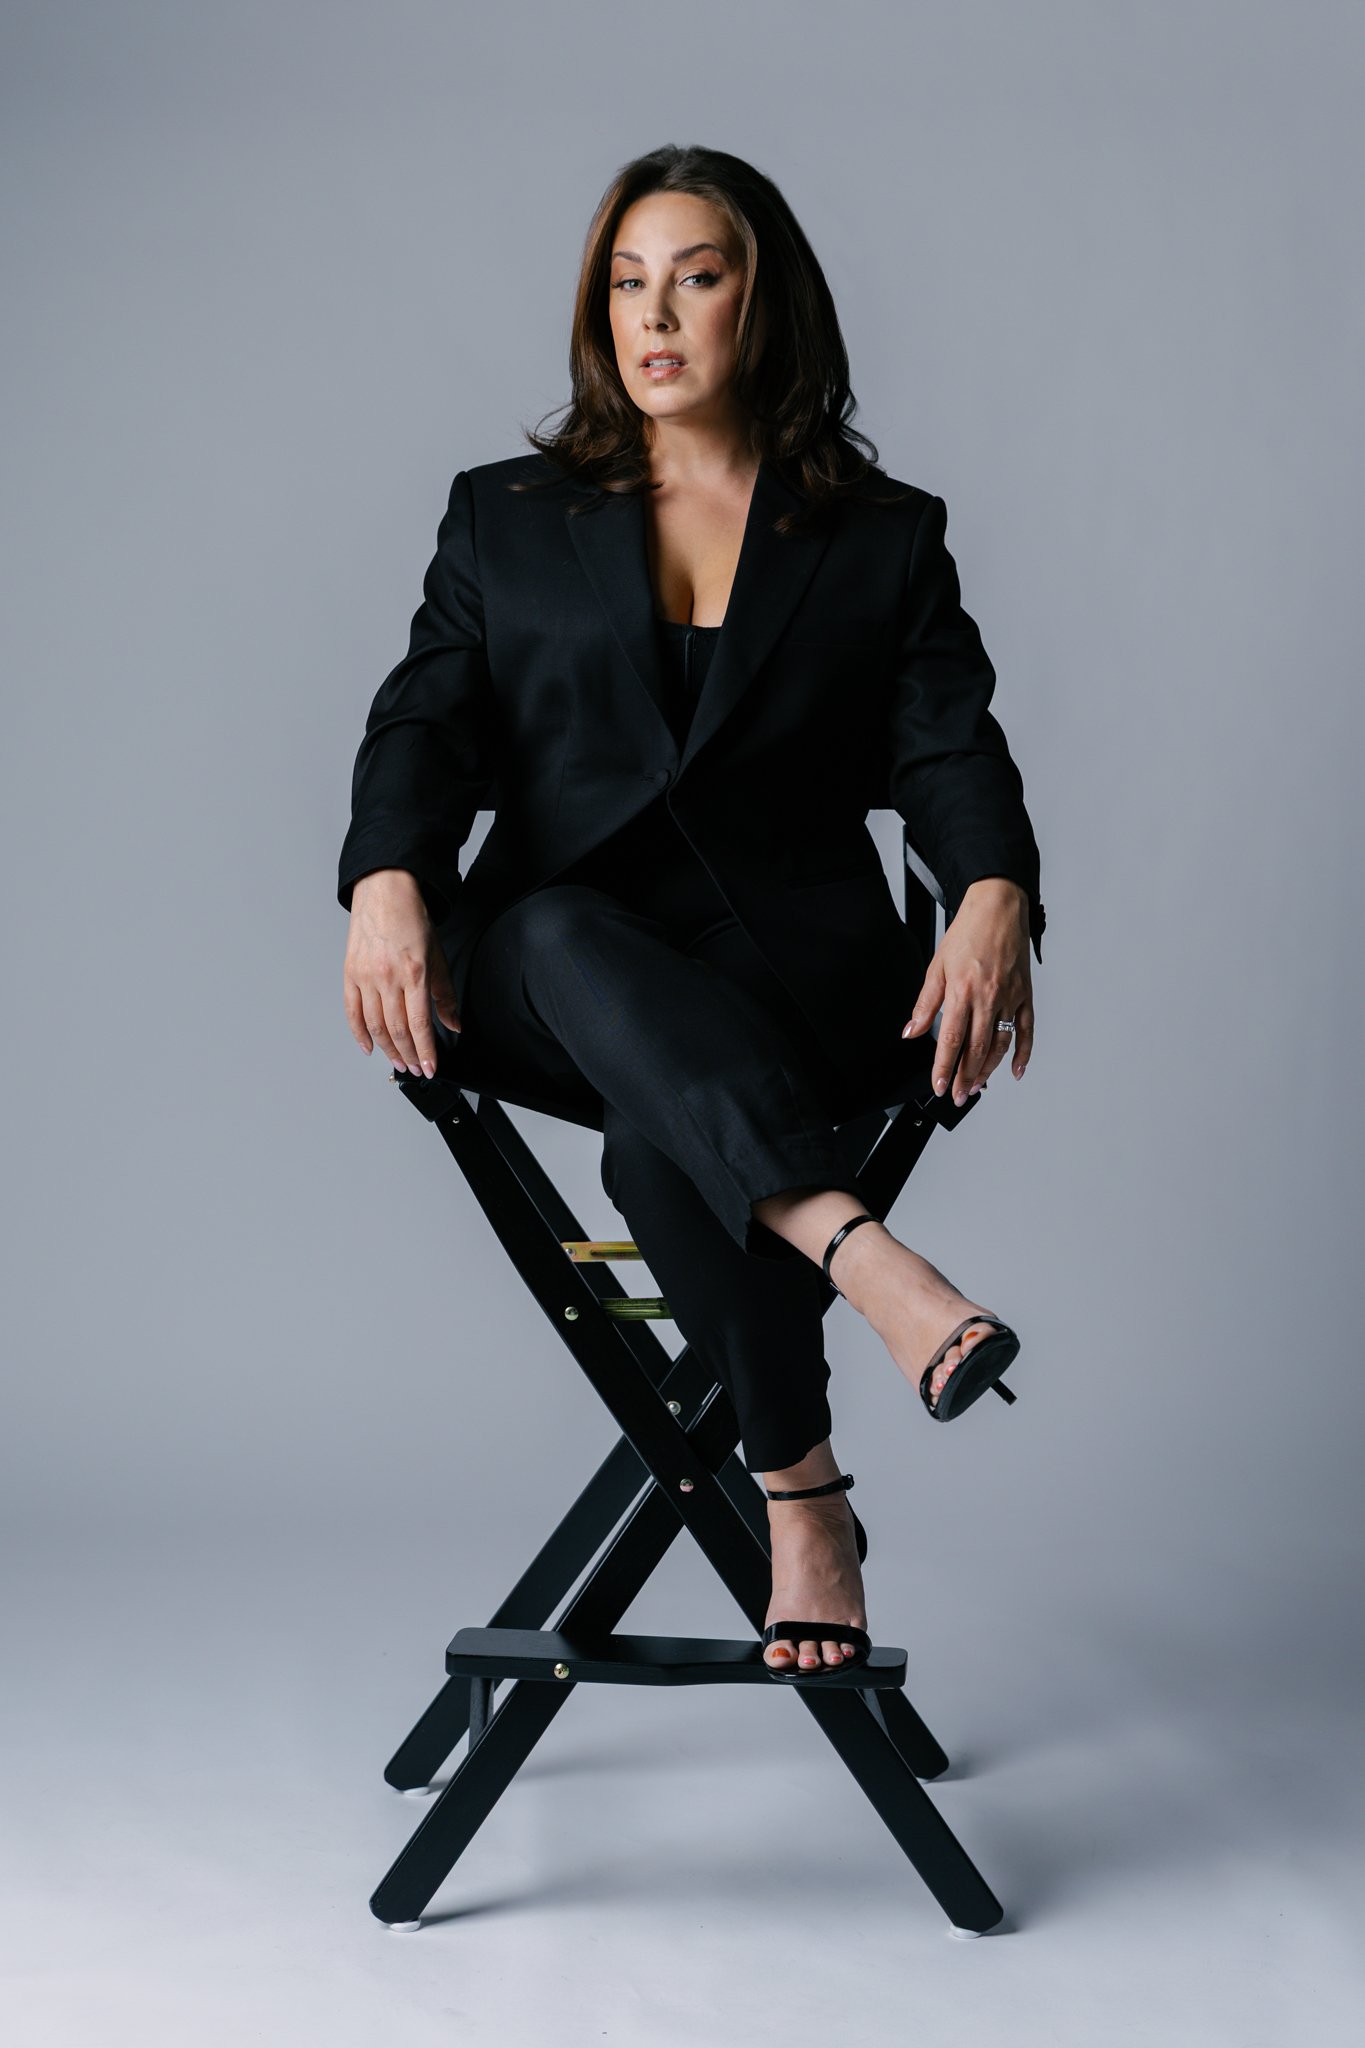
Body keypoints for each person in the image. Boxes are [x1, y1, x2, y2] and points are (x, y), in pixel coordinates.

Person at [337, 145, 1046, 1683]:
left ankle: (802, 1505)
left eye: (698, 277)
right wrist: (387, 875)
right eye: (626, 281)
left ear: (761, 301)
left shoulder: (877, 536)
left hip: (785, 989)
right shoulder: (506, 518)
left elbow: (947, 749)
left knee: (676, 1139)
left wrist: (993, 894)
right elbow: (420, 728)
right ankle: (872, 1271)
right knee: (553, 933)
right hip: (553, 980)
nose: (655, 316)